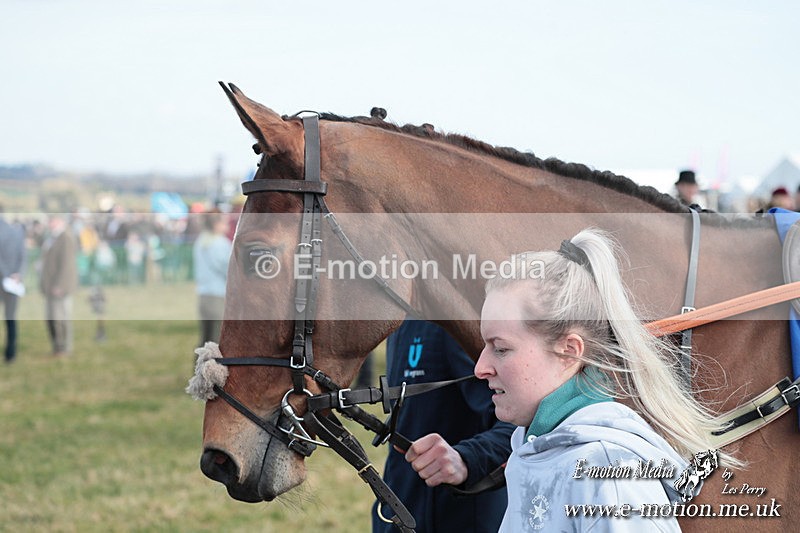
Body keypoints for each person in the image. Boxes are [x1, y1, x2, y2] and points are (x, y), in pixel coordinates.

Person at [474, 229, 737, 532]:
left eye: (501, 348)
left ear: (569, 351)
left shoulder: (609, 476)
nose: (481, 367)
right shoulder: (532, 450)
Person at [372, 320, 515, 533]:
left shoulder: (459, 322)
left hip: (460, 518)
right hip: (398, 508)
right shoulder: (400, 321)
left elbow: (517, 427)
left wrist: (466, 458)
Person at [40, 214, 78, 357]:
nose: (50, 223)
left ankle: (65, 348)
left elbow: (67, 264)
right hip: (50, 285)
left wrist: (60, 285)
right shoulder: (52, 237)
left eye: (53, 220)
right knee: (51, 319)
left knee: (61, 318)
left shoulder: (65, 237)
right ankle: (57, 347)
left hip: (60, 287)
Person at [192, 210, 232, 346]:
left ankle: (199, 367)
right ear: (216, 224)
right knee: (216, 340)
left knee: (204, 339)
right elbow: (227, 268)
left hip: (203, 295)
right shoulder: (220, 243)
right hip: (218, 296)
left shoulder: (201, 240)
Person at [0, 205, 27, 364]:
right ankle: (11, 353)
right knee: (11, 318)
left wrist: (6, 274)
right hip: (13, 282)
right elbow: (23, 257)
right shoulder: (17, 232)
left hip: (6, 279)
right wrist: (17, 275)